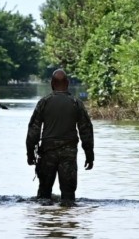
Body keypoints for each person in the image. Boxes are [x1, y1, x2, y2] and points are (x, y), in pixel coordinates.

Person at [25, 68, 95, 202]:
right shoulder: (76, 103)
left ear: (52, 83)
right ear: (67, 83)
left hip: (47, 153)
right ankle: (67, 219)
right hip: (68, 155)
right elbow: (86, 131)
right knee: (68, 197)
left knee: (44, 196)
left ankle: (46, 220)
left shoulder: (43, 102)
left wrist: (30, 154)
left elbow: (33, 130)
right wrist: (89, 155)